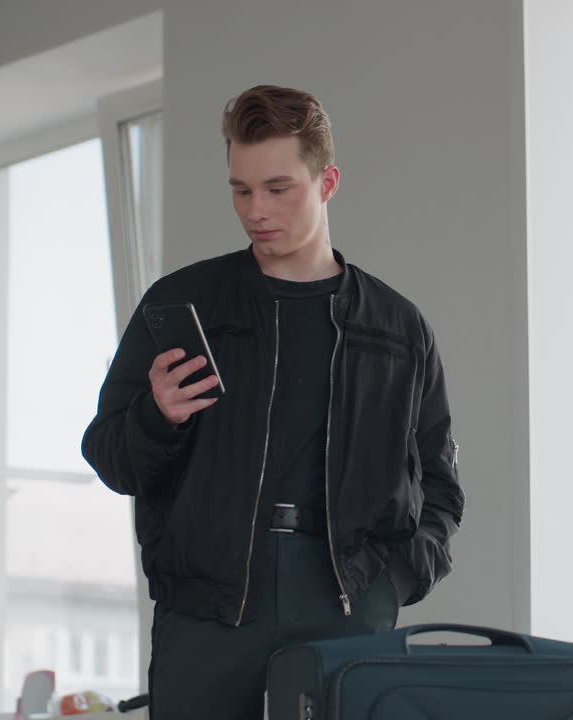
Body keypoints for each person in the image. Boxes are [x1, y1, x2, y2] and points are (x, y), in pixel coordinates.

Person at [81, 84, 464, 719]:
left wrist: (391, 584)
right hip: (208, 608)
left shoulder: (397, 329)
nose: (256, 210)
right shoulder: (183, 303)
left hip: (346, 604)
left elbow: (440, 485)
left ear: (327, 182)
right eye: (241, 190)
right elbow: (109, 454)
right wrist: (157, 417)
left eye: (278, 189)